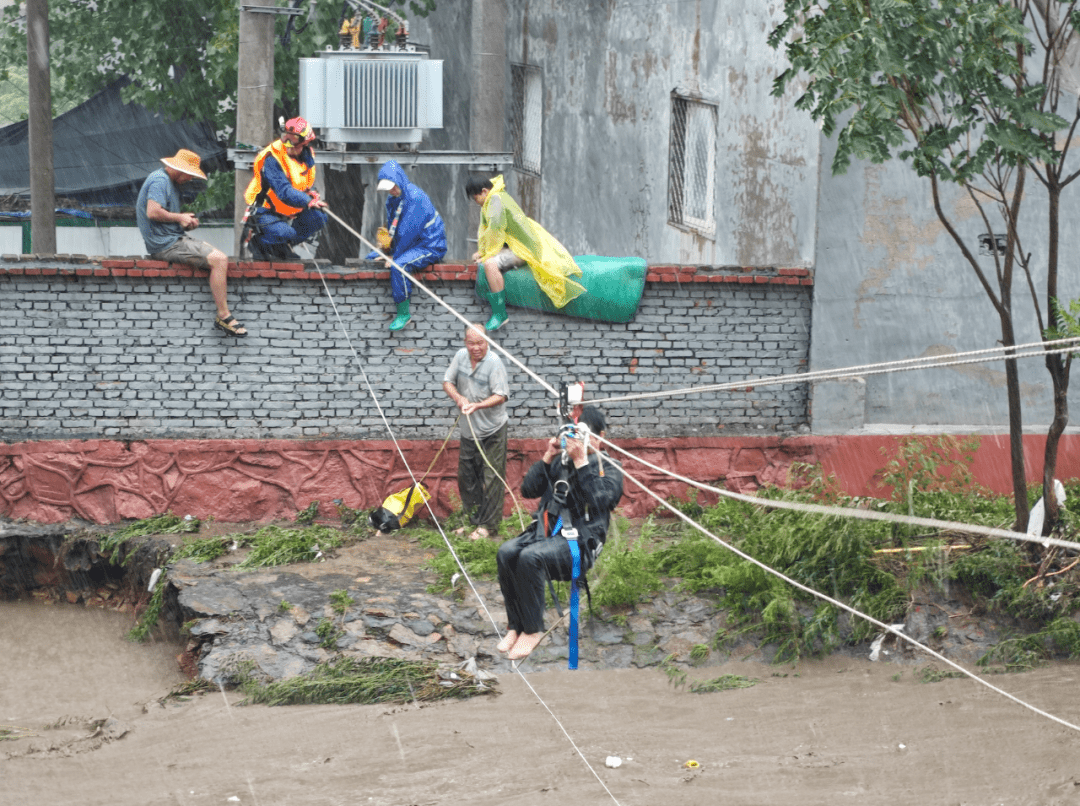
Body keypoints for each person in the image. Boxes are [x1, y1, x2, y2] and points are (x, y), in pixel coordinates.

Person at [495, 406, 623, 661]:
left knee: (530, 558)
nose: (577, 442)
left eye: (583, 436)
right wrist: (548, 456)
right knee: (506, 552)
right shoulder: (560, 463)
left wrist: (581, 462)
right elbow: (529, 490)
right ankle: (516, 626)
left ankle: (533, 630)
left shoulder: (610, 467)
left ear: (601, 436)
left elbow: (599, 501)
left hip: (581, 544)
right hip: (548, 535)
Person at [136, 149, 246, 337]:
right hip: (165, 244)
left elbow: (164, 218)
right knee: (219, 260)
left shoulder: (168, 181)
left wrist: (185, 222)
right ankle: (224, 316)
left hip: (172, 239)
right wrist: (180, 217)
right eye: (190, 175)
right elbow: (153, 212)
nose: (191, 179)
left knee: (218, 257)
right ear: (180, 170)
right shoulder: (159, 180)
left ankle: (223, 314)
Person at [464, 174, 586, 332]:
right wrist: (482, 251)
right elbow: (487, 232)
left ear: (484, 191)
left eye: (476, 199)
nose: (477, 203)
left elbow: (495, 231)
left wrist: (486, 255)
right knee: (488, 259)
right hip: (517, 244)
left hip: (523, 248)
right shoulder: (496, 197)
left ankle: (500, 314)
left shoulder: (495, 201)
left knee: (490, 264)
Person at [442, 323, 510, 542]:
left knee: (491, 478)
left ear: (487, 342)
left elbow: (501, 395)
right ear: (465, 343)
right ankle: (472, 521)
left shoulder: (494, 362)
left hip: (493, 429)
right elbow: (447, 382)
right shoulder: (460, 356)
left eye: (480, 342)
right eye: (471, 343)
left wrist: (477, 405)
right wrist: (459, 398)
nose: (476, 347)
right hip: (468, 430)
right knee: (467, 477)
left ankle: (488, 527)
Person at [364, 160, 447, 331]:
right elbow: (393, 227)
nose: (391, 190)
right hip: (411, 244)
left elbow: (409, 232)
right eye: (388, 188)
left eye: (393, 186)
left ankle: (403, 313)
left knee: (399, 266)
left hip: (429, 245)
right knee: (371, 257)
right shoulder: (394, 199)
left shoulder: (415, 198)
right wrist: (386, 247)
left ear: (400, 180)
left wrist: (395, 256)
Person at [244, 117, 328, 262]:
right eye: (285, 137)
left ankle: (280, 247)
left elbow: (303, 184)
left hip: (287, 207)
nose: (288, 144)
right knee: (285, 232)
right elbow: (283, 191)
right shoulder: (272, 158)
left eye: (293, 139)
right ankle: (259, 243)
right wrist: (307, 201)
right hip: (264, 209)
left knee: (319, 217)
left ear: (305, 142)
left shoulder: (307, 156)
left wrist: (312, 193)